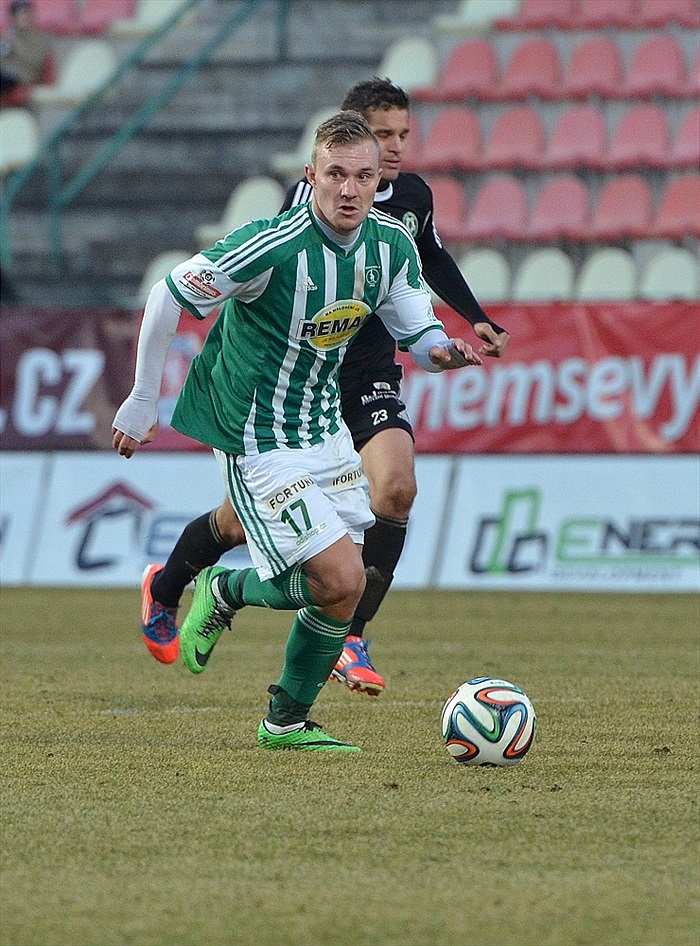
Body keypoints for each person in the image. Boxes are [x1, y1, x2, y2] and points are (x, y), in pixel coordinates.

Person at [113, 111, 482, 752]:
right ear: (311, 176)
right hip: (253, 433)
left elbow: (418, 332)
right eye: (335, 174)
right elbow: (168, 296)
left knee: (348, 584)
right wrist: (144, 398)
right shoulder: (271, 245)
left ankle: (285, 719)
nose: (349, 190)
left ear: (379, 181)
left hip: (323, 426)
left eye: (362, 177)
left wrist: (442, 351)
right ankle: (221, 590)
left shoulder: (391, 245)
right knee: (337, 577)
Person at [0, 0, 50, 96]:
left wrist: (16, 46)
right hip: (6, 74)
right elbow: (3, 59)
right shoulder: (8, 35)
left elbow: (37, 61)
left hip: (24, 77)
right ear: (12, 18)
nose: (24, 18)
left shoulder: (38, 38)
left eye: (26, 14)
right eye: (19, 15)